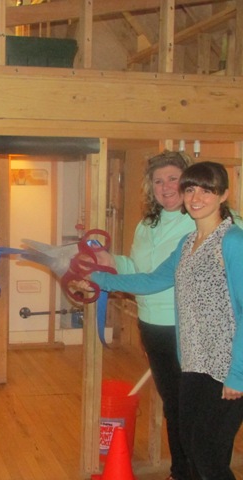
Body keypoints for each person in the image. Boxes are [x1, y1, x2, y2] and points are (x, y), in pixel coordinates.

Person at [87, 161, 243, 480]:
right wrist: (98, 279)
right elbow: (152, 280)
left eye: (206, 190)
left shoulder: (233, 242)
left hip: (225, 365)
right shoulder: (187, 244)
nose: (196, 197)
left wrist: (237, 375)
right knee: (191, 443)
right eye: (191, 189)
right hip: (193, 363)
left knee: (208, 455)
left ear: (224, 194)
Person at [104, 150, 194, 480]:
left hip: (185, 327)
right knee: (173, 403)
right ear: (150, 187)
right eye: (158, 181)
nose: (166, 186)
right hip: (151, 326)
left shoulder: (199, 218)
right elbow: (137, 270)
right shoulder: (147, 224)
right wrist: (108, 260)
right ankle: (181, 471)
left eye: (173, 178)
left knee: (191, 407)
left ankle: (196, 471)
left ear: (188, 181)